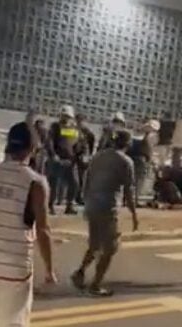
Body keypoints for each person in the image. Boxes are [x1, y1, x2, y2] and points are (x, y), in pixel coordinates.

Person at [0, 122, 57, 327]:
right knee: (13, 323)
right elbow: (43, 229)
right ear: (32, 149)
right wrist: (49, 269)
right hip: (15, 266)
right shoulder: (35, 182)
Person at [71, 130, 138, 296]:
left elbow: (87, 179)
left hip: (92, 204)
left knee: (94, 244)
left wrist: (86, 200)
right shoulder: (126, 161)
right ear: (127, 144)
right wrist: (134, 215)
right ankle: (95, 285)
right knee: (110, 248)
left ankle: (80, 272)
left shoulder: (98, 156)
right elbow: (128, 191)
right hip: (108, 207)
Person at [46, 105, 79, 215]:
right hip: (57, 160)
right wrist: (53, 155)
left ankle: (69, 205)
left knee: (74, 183)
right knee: (53, 184)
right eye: (64, 116)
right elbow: (49, 141)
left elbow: (77, 143)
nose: (65, 118)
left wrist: (77, 156)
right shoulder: (55, 127)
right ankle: (50, 205)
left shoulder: (74, 129)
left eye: (68, 116)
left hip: (70, 161)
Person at [75, 114, 95, 204]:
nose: (80, 123)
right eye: (78, 120)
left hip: (83, 157)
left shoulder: (88, 133)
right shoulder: (72, 130)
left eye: (81, 121)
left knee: (82, 178)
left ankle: (80, 197)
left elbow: (91, 143)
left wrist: (89, 155)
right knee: (75, 179)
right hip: (73, 156)